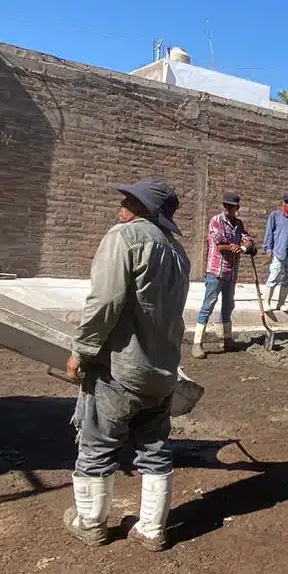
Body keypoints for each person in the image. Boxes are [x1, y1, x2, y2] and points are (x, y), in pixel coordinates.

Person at [63, 176, 191, 551]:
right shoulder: (178, 253)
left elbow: (105, 302)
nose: (121, 206)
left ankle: (90, 523)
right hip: (161, 372)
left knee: (98, 443)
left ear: (144, 209)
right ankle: (152, 530)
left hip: (120, 369)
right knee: (154, 448)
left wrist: (81, 351)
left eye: (129, 200)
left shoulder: (123, 239)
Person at [192, 190, 253, 358]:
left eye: (232, 206)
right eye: (226, 205)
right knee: (208, 305)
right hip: (216, 270)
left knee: (228, 305)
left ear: (236, 208)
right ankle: (197, 344)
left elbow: (247, 238)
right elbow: (218, 243)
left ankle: (226, 339)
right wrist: (232, 247)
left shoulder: (238, 224)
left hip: (231, 272)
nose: (228, 208)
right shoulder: (216, 221)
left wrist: (246, 246)